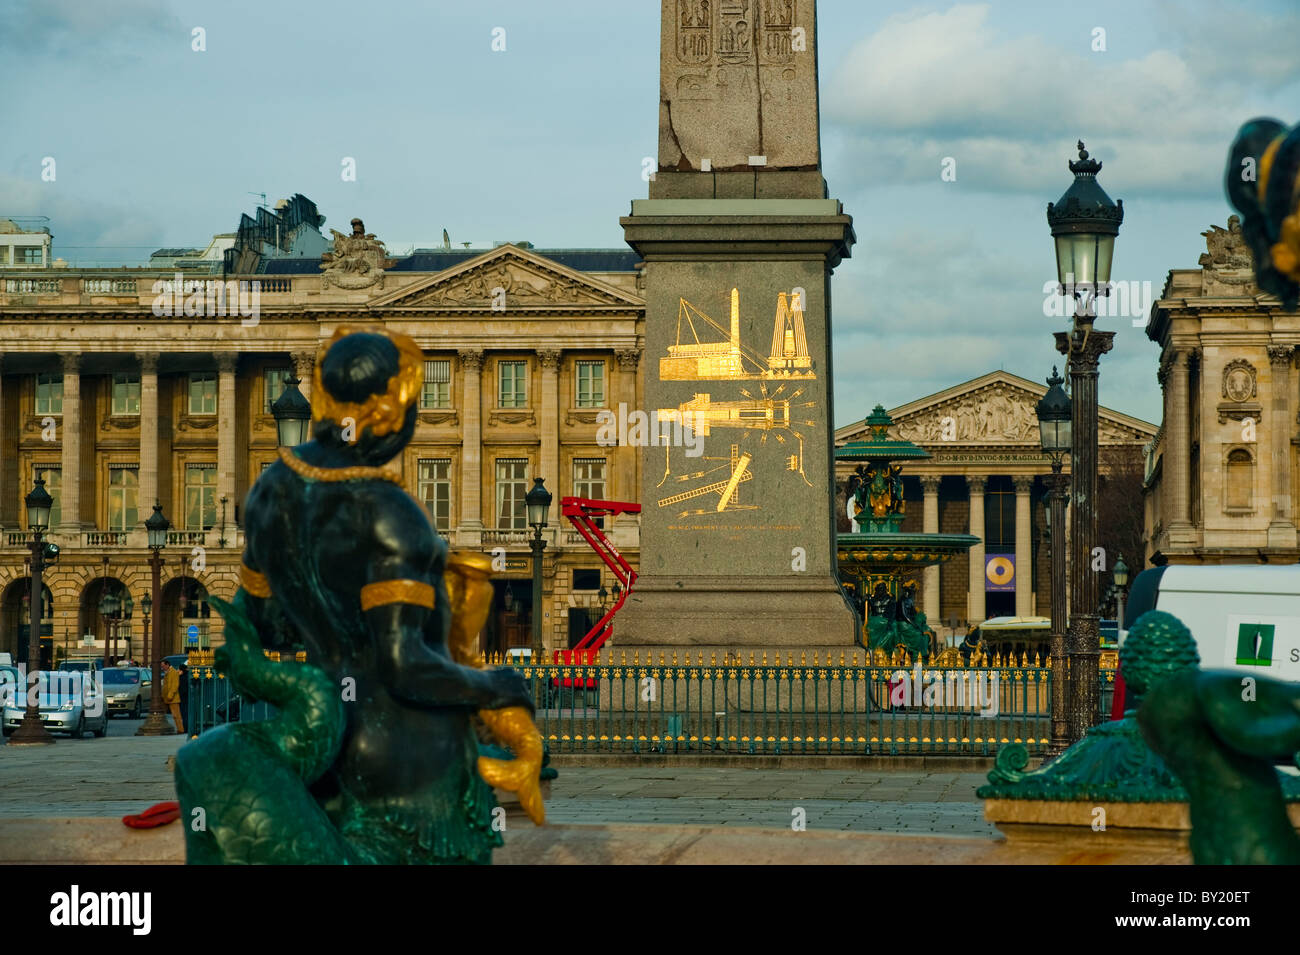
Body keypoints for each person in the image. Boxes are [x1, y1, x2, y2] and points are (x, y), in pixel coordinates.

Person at [161, 660, 184, 733]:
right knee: (161, 714)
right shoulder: (167, 672)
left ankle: (180, 729)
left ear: (167, 665)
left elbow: (175, 685)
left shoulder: (173, 672)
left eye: (163, 666)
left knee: (176, 715)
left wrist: (170, 695)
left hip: (172, 697)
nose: (162, 668)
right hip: (166, 697)